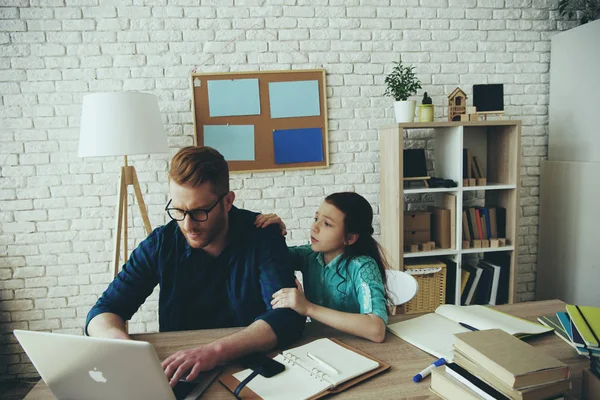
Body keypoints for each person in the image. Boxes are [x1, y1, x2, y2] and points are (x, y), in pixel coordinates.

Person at [86, 146, 305, 387]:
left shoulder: (262, 235)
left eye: (199, 211)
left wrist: (214, 351)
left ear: (228, 201)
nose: (188, 225)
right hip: (181, 372)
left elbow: (286, 316)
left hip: (252, 371)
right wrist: (123, 346)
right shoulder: (161, 243)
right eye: (178, 210)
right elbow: (103, 311)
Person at [255, 192, 390, 343]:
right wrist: (274, 232)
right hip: (320, 344)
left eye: (327, 224)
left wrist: (307, 308)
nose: (314, 227)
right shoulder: (309, 256)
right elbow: (269, 259)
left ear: (350, 238)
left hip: (361, 347)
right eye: (316, 219)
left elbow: (376, 330)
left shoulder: (363, 266)